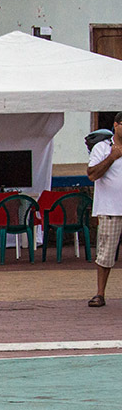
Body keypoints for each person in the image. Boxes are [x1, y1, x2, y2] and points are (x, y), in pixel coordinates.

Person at [86, 111, 122, 307]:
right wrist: (112, 157)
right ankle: (100, 293)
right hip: (110, 209)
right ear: (115, 125)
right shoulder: (102, 147)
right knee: (106, 253)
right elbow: (92, 175)